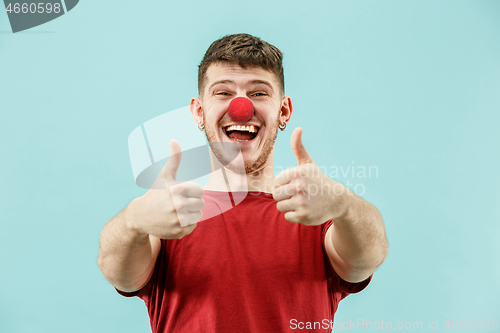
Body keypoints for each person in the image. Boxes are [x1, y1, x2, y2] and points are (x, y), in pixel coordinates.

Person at [98, 33, 388, 333]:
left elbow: (367, 258)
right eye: (223, 93)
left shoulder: (316, 213)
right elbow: (120, 274)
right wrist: (134, 219)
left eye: (259, 93)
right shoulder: (168, 217)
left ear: (283, 111)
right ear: (199, 111)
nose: (241, 107)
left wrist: (342, 203)